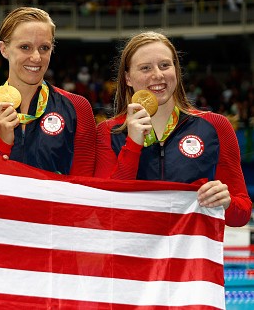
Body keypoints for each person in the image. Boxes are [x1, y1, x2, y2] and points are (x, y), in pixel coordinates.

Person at [94, 31, 252, 227]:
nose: (158, 75)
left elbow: (242, 213)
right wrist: (133, 145)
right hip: (133, 255)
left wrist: (226, 203)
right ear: (127, 77)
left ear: (176, 70)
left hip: (190, 256)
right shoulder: (109, 132)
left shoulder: (215, 126)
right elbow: (104, 213)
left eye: (165, 65)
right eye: (145, 68)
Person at [0, 7, 96, 175]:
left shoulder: (78, 108)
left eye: (44, 48)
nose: (36, 57)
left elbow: (86, 188)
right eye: (25, 47)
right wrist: (2, 143)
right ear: (3, 49)